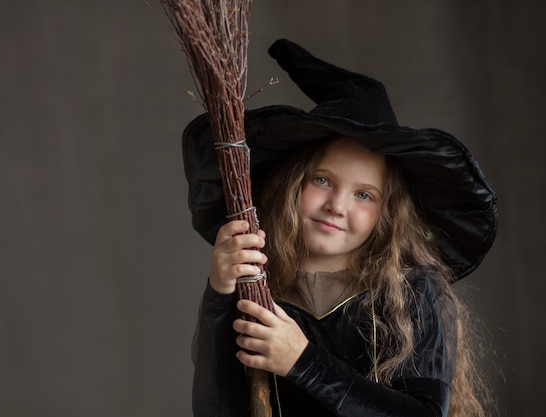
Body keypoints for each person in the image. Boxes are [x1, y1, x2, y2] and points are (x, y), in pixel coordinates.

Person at [182, 39, 498, 417]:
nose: (337, 206)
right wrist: (220, 292)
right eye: (323, 180)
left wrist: (302, 361)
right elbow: (215, 411)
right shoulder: (258, 289)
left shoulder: (410, 292)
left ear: (388, 212)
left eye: (364, 195)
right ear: (291, 184)